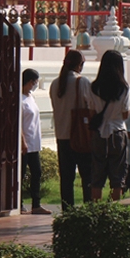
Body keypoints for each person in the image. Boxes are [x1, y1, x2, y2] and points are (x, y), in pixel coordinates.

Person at [49, 49, 93, 206]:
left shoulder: (55, 84)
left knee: (66, 179)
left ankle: (67, 211)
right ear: (80, 65)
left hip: (62, 135)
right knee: (87, 177)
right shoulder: (82, 82)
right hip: (80, 135)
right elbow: (91, 106)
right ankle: (89, 210)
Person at [89, 49, 130, 202]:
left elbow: (92, 112)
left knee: (97, 175)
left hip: (99, 133)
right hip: (117, 131)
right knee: (117, 176)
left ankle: (96, 208)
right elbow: (125, 114)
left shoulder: (94, 87)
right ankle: (114, 208)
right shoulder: (123, 88)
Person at [20, 68, 51, 215]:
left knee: (36, 173)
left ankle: (36, 204)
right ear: (29, 81)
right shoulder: (20, 99)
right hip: (25, 143)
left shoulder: (30, 97)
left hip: (34, 143)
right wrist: (23, 141)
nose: (35, 85)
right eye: (34, 82)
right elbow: (19, 123)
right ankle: (19, 202)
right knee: (21, 174)